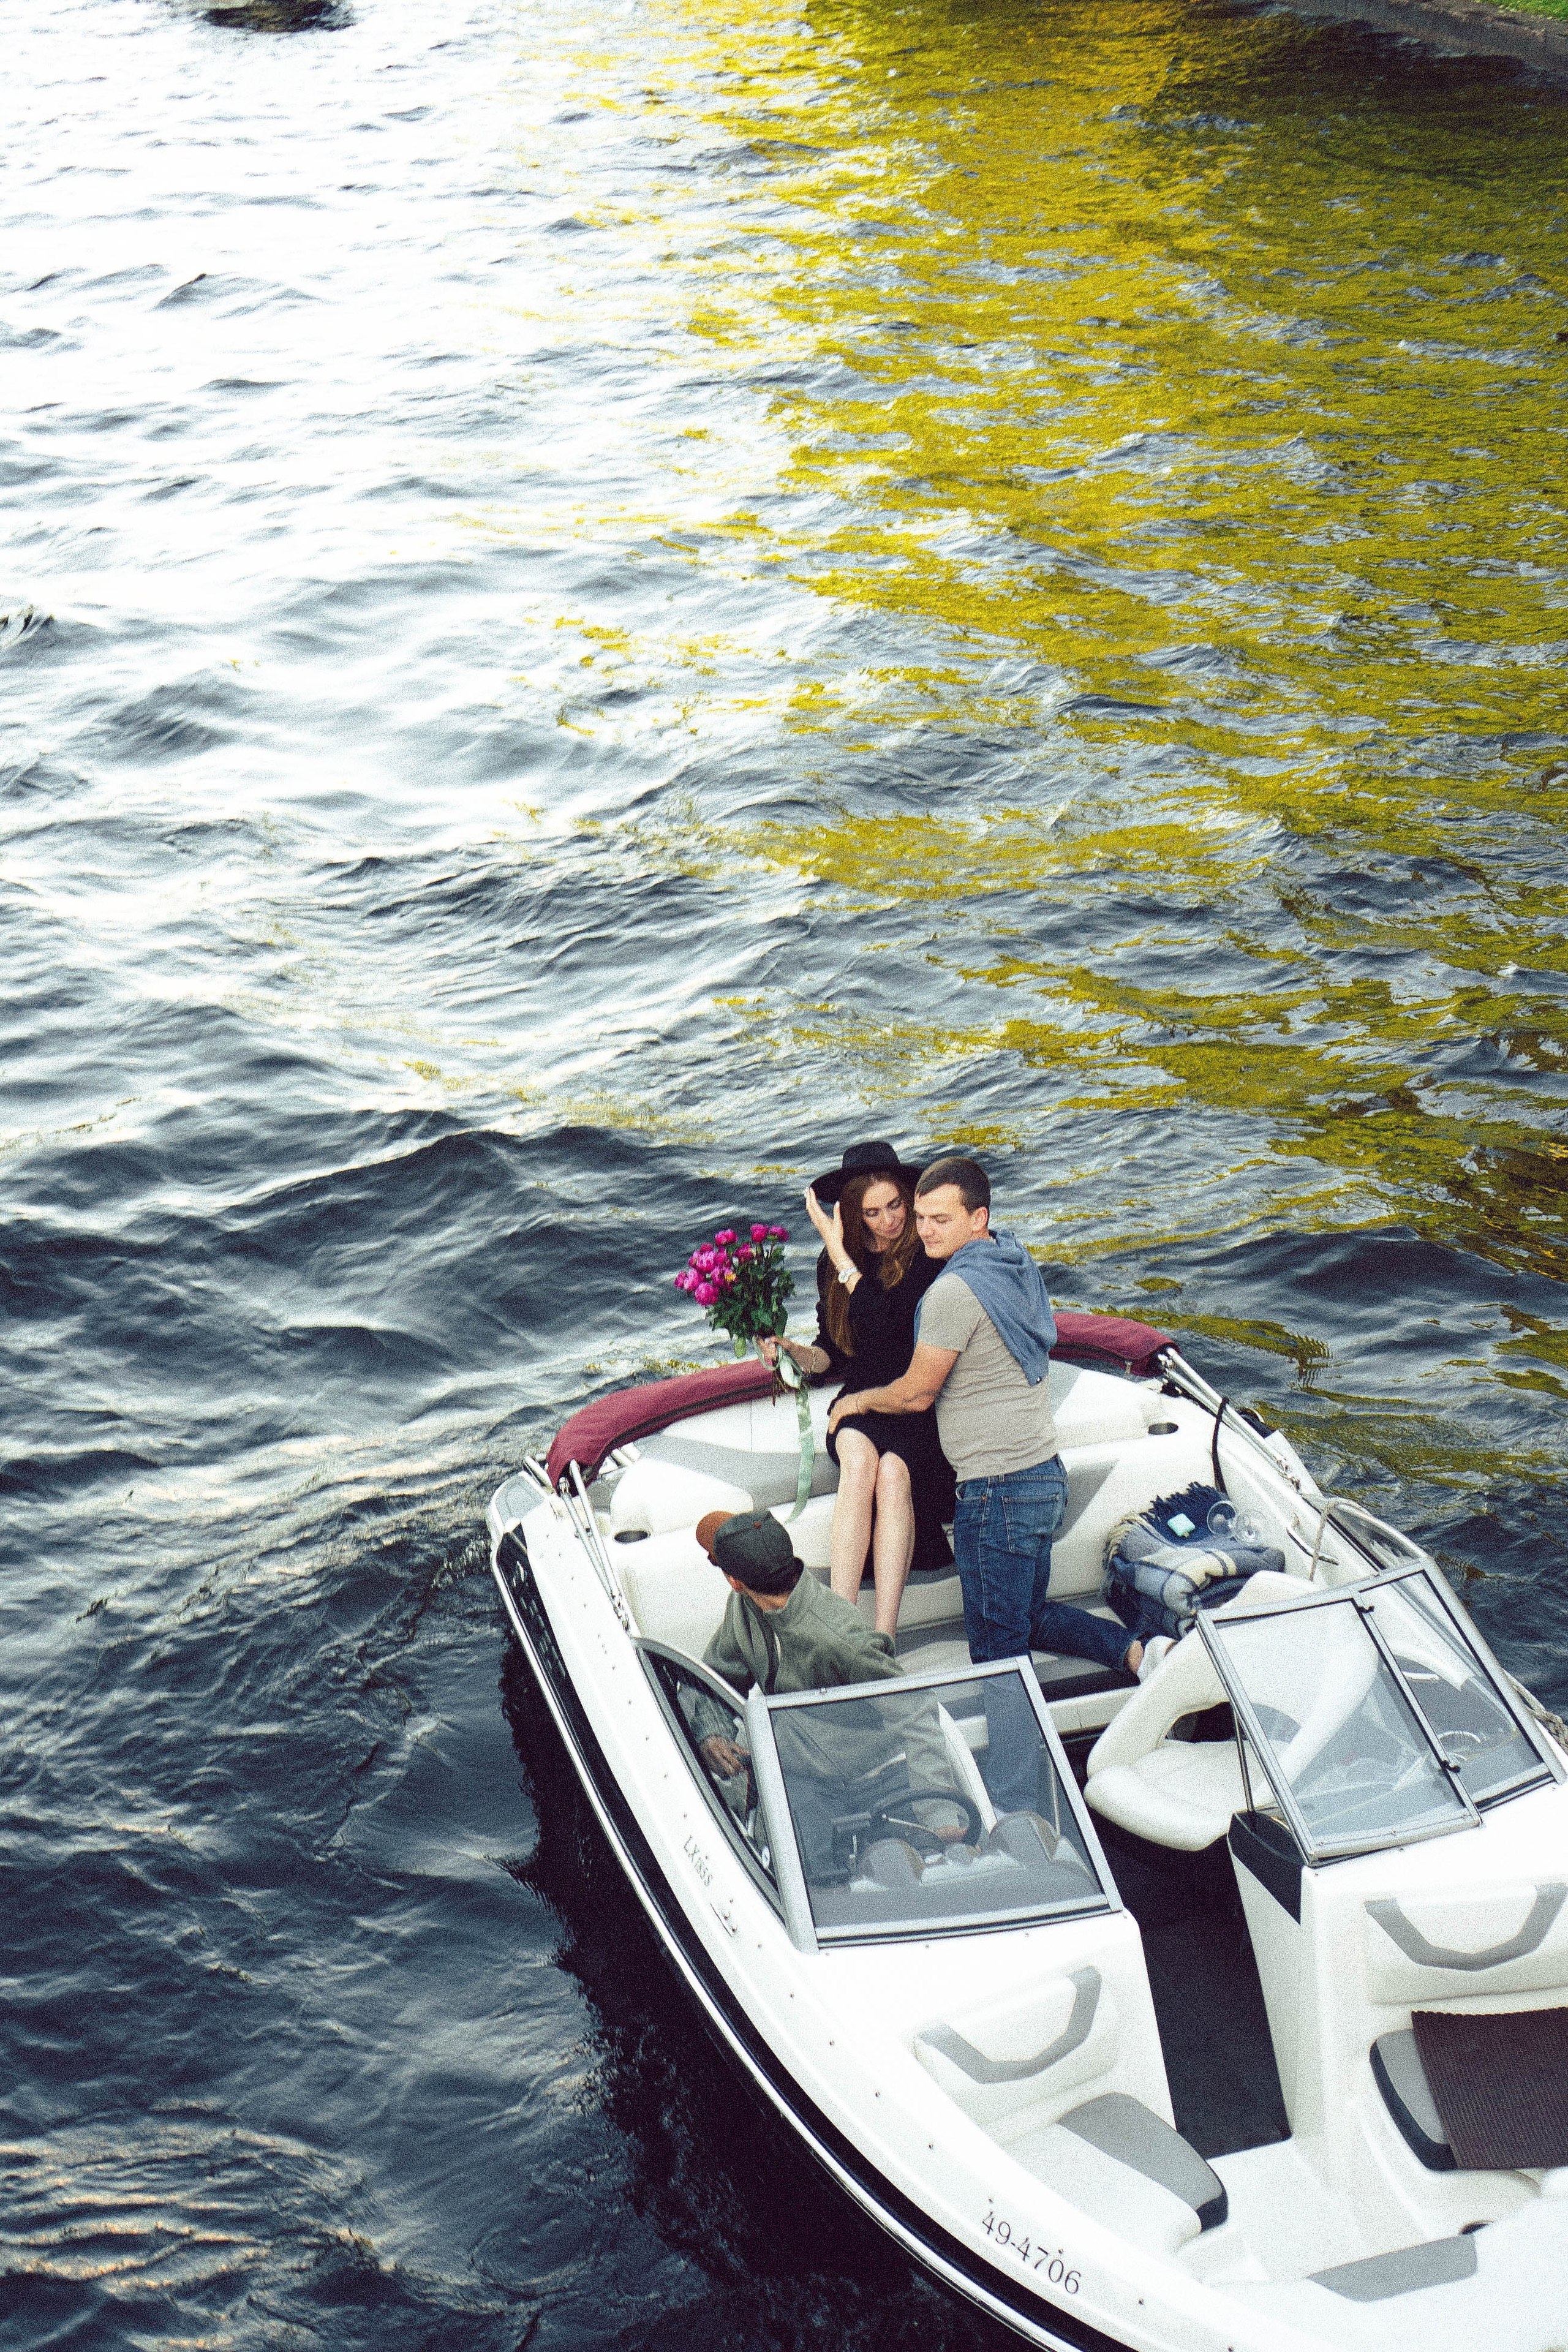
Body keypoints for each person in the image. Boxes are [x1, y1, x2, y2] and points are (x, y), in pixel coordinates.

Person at [823, 1155, 1145, 1686]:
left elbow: (916, 1396)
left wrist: (857, 1402)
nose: (924, 1230)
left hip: (998, 1492)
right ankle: (1139, 1653)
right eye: (922, 1217)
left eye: (940, 1220)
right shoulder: (1013, 1261)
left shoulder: (952, 1290)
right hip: (1042, 1475)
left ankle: (1017, 1771)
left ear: (979, 1218)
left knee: (997, 1656)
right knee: (1026, 1618)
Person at [759, 1139, 953, 1639]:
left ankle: (883, 1635)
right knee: (862, 1461)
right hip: (861, 1400)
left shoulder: (925, 1252)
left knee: (893, 1475)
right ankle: (844, 1627)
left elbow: (888, 1324)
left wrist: (841, 1254)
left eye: (895, 1205)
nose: (889, 1220)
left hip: (917, 1399)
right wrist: (793, 1353)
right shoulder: (835, 1263)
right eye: (872, 1212)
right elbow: (836, 1350)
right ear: (853, 1213)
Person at [691, 1509, 967, 1858]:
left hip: (876, 1778)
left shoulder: (843, 1641)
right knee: (796, 1868)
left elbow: (916, 1711)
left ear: (734, 1580)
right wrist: (710, 1732)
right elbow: (714, 1679)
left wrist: (939, 1816)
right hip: (803, 1777)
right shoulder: (743, 1607)